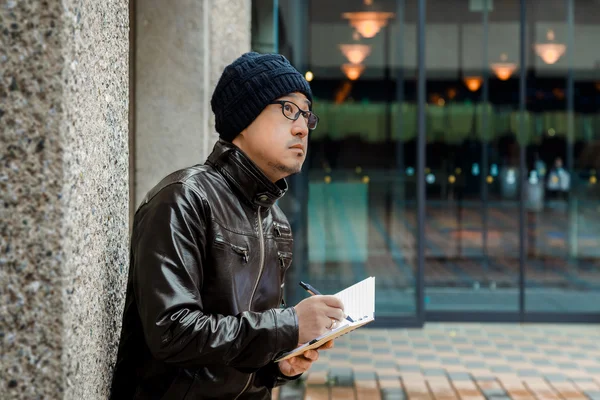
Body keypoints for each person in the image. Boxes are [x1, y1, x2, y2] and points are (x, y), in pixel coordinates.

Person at [109, 52, 346, 399]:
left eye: (307, 116)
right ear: (243, 118)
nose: (300, 127)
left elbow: (238, 342)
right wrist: (288, 324)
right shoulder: (183, 199)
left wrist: (278, 364)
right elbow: (172, 332)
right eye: (288, 110)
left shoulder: (276, 223)